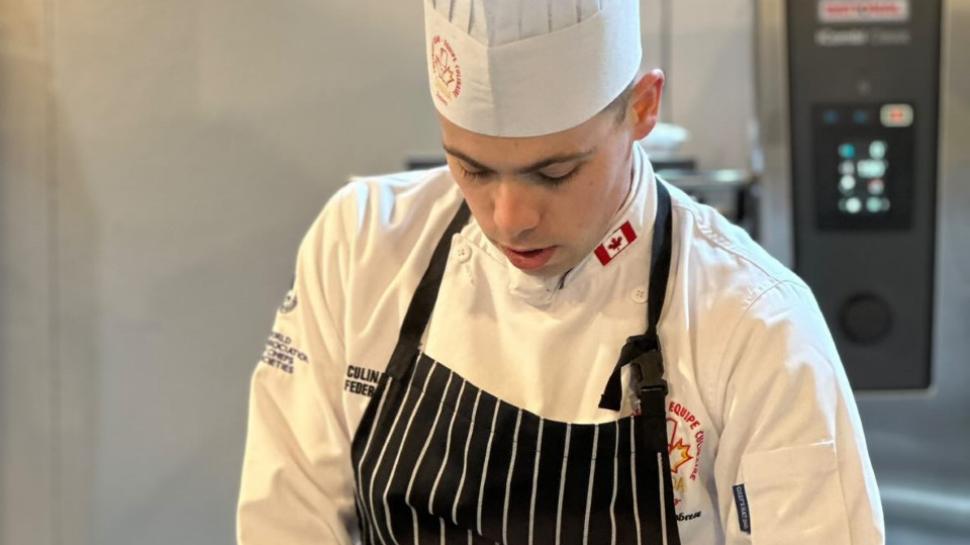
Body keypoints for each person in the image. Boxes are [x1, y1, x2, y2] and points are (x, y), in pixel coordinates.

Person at [236, 1, 885, 544]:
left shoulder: (753, 324)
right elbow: (288, 519)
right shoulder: (361, 247)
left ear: (642, 107)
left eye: (555, 173)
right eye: (472, 168)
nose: (509, 218)